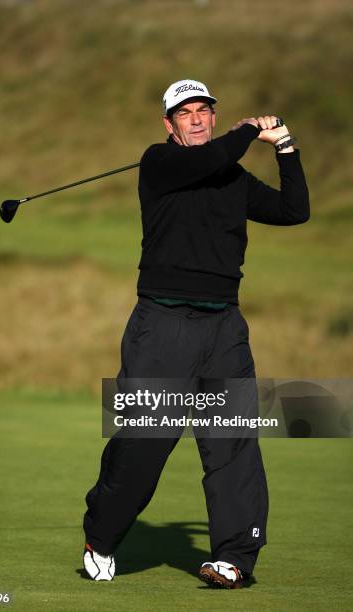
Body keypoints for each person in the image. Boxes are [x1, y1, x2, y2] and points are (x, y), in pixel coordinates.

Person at [82, 79, 310, 587]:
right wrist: (251, 129)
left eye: (205, 110)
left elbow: (295, 211)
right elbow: (206, 162)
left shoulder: (232, 176)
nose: (198, 119)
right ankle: (102, 533)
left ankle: (234, 556)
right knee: (146, 439)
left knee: (232, 443)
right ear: (169, 125)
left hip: (224, 328)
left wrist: (287, 147)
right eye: (185, 113)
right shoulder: (159, 163)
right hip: (162, 325)